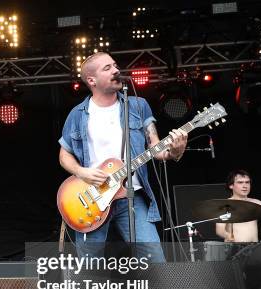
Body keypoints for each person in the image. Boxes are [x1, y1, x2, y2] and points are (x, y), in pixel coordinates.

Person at [58, 52, 188, 262]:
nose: (116, 70)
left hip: (132, 197)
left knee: (155, 263)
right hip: (92, 201)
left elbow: (157, 149)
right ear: (92, 80)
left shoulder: (138, 105)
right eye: (107, 68)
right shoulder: (78, 114)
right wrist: (82, 172)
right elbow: (64, 154)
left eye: (115, 65)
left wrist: (175, 151)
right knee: (90, 268)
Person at [216, 170, 261, 243]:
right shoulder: (225, 205)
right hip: (235, 249)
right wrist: (228, 236)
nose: (245, 186)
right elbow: (220, 230)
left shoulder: (256, 203)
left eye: (247, 182)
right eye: (240, 182)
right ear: (231, 185)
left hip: (254, 248)